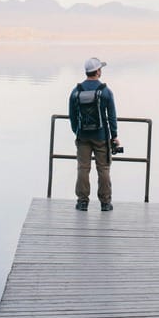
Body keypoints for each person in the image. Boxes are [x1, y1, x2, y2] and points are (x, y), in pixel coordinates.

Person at [69, 56, 118, 211]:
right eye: (100, 69)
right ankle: (105, 203)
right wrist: (114, 136)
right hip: (101, 136)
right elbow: (111, 116)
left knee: (83, 168)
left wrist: (77, 131)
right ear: (97, 71)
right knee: (103, 168)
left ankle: (82, 202)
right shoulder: (105, 91)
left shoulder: (76, 91)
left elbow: (72, 115)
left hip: (82, 136)